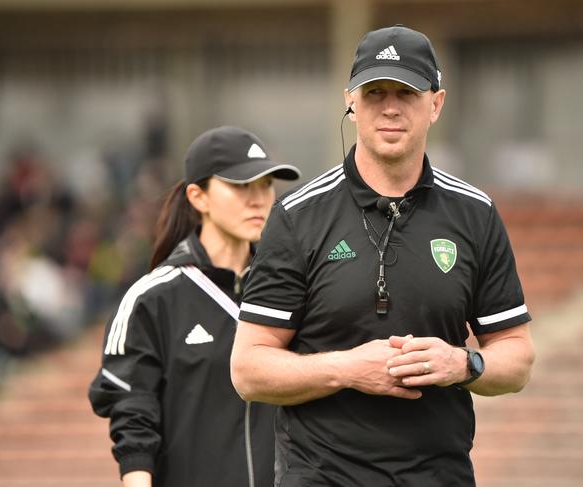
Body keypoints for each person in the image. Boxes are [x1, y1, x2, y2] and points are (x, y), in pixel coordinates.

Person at [230, 25, 535, 487]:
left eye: (406, 92)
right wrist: (349, 369)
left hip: (440, 475)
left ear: (436, 104)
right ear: (350, 101)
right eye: (375, 92)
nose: (390, 107)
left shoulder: (475, 214)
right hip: (319, 476)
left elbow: (517, 357)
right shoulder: (297, 216)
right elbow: (249, 369)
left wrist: (463, 364)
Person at [88, 125, 301, 487]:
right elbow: (133, 416)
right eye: (239, 185)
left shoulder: (293, 288)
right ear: (198, 197)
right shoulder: (150, 299)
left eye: (265, 185)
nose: (258, 199)